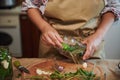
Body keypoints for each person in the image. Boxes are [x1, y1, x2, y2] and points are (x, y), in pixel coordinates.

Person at [22, 0, 120, 60]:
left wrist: (98, 36)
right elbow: (31, 4)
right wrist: (44, 27)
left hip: (91, 45)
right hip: (53, 43)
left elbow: (112, 7)